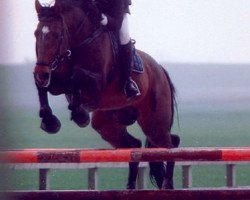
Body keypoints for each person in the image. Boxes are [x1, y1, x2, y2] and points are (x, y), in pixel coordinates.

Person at [97, 0, 141, 98]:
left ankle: (127, 80)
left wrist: (103, 19)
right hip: (94, 12)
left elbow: (116, 24)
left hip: (116, 14)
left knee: (124, 36)